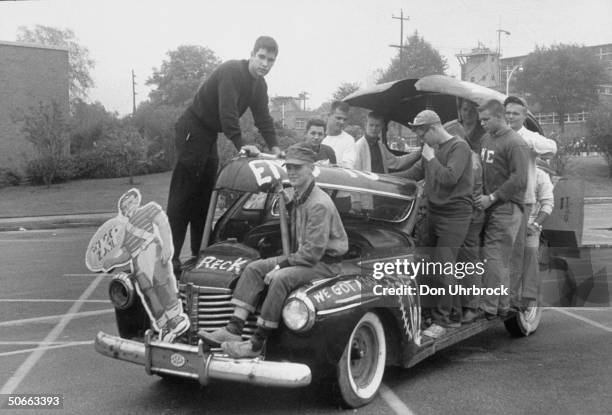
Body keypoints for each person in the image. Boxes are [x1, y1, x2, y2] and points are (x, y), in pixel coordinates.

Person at [198, 143, 349, 358]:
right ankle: (233, 330)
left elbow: (312, 254)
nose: (292, 172)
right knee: (254, 268)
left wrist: (280, 265)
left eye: (298, 167)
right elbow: (279, 163)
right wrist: (258, 154)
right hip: (303, 257)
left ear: (310, 168)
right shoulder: (300, 194)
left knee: (281, 278)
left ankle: (256, 344)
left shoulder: (319, 204)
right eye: (289, 168)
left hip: (324, 264)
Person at [167, 36, 282, 273]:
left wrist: (276, 147)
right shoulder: (232, 71)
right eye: (261, 57)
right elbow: (226, 110)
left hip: (208, 135)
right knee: (183, 197)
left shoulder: (259, 85)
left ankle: (199, 256)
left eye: (270, 60)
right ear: (251, 54)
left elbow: (263, 117)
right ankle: (169, 259)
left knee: (205, 198)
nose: (265, 64)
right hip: (192, 129)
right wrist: (241, 143)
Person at [395, 110, 473, 338]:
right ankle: (454, 315)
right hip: (435, 212)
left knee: (444, 265)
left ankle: (441, 321)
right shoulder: (433, 150)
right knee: (430, 262)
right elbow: (413, 173)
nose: (421, 140)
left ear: (432, 128)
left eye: (422, 134)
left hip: (455, 215)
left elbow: (450, 177)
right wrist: (378, 177)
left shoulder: (459, 147)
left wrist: (430, 158)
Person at [102, 188, 189, 342]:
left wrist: (167, 246)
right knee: (149, 292)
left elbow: (163, 224)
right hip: (137, 259)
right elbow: (127, 254)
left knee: (162, 282)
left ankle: (175, 318)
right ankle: (164, 326)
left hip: (152, 249)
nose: (127, 207)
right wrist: (112, 261)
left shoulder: (149, 209)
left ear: (136, 200)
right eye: (124, 207)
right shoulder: (124, 231)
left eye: (129, 203)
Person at [476, 99, 528, 319]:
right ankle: (502, 305)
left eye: (486, 119)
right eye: (481, 120)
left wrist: (492, 197)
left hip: (506, 206)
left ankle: (488, 306)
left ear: (500, 117)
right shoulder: (486, 138)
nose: (483, 124)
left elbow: (519, 179)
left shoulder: (515, 143)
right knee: (499, 258)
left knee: (493, 256)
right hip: (490, 205)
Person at [504, 96, 557, 310]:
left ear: (524, 116)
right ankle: (503, 295)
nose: (510, 117)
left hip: (522, 202)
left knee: (523, 251)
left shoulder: (529, 137)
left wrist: (523, 141)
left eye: (515, 113)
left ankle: (522, 298)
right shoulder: (498, 135)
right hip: (499, 200)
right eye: (507, 112)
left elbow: (552, 147)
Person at [521, 159, 554, 309]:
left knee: (530, 251)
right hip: (509, 222)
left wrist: (534, 226)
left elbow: (548, 205)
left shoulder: (541, 176)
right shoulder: (509, 172)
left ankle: (529, 296)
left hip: (530, 225)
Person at [322, 101, 357, 168]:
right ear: (329, 115)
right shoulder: (318, 136)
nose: (342, 122)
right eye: (338, 118)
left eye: (344, 119)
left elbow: (348, 167)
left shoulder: (348, 141)